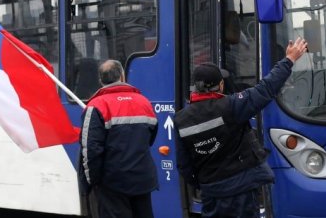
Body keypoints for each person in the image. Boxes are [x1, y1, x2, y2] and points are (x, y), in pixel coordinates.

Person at [174, 37, 308, 218]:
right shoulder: (231, 106)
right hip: (240, 190)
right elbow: (266, 89)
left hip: (211, 193)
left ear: (195, 89)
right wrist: (289, 59)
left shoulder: (181, 120)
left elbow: (184, 166)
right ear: (220, 85)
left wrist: (205, 184)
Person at [78, 59, 158, 218]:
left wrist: (91, 182)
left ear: (100, 80)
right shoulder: (144, 102)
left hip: (112, 184)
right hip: (143, 179)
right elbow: (150, 138)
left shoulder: (96, 106)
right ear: (122, 76)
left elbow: (90, 150)